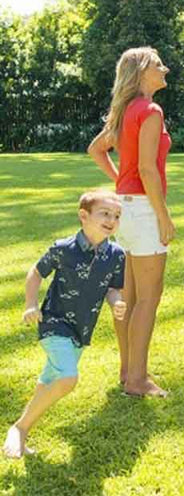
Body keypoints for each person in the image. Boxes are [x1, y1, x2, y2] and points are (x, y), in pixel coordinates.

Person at [3, 191, 126, 459]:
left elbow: (113, 288)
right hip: (54, 323)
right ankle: (19, 428)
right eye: (105, 214)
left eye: (116, 216)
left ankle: (23, 431)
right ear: (84, 216)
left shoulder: (116, 254)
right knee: (67, 379)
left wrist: (116, 302)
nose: (112, 220)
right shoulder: (64, 248)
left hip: (81, 331)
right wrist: (31, 304)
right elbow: (36, 272)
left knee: (50, 379)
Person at [87, 47, 174, 397]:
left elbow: (96, 149)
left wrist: (120, 183)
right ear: (140, 73)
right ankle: (137, 380)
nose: (164, 68)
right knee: (148, 298)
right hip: (143, 209)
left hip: (126, 209)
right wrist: (164, 216)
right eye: (157, 65)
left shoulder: (125, 112)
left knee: (130, 297)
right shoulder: (151, 110)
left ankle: (128, 371)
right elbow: (148, 170)